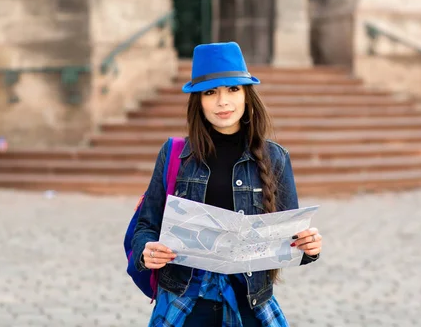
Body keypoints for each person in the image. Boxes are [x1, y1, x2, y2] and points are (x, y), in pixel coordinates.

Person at [131, 42, 323, 327]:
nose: (223, 102)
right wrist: (147, 250)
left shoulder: (275, 158)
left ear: (247, 95)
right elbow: (146, 226)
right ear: (199, 100)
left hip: (249, 302)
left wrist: (309, 248)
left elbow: (289, 241)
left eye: (233, 89)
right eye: (211, 92)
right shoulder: (175, 154)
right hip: (186, 301)